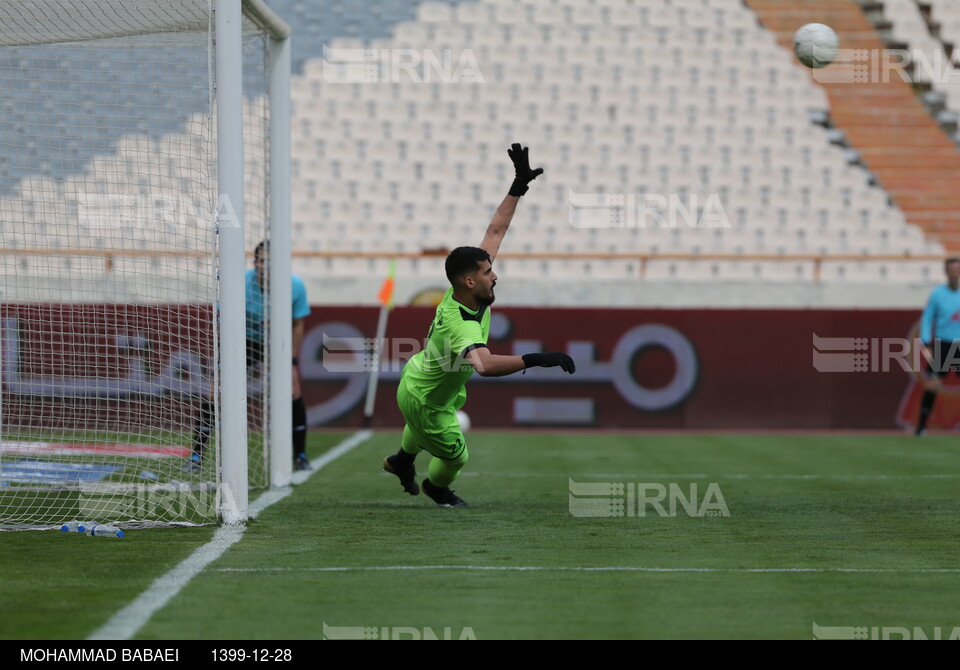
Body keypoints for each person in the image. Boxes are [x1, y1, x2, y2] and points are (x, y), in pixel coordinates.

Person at [382, 144, 576, 507]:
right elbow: (484, 365)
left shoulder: (465, 291)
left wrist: (518, 185)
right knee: (456, 457)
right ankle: (435, 488)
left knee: (428, 417)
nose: (495, 274)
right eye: (488, 272)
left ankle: (402, 461)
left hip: (419, 379)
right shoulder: (463, 325)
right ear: (470, 281)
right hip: (426, 401)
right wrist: (536, 359)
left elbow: (495, 230)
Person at [187, 240, 312, 471]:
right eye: (264, 260)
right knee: (216, 391)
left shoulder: (295, 286)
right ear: (255, 263)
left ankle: (301, 455)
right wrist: (227, 354)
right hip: (244, 341)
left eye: (274, 262)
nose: (269, 266)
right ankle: (196, 456)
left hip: (277, 343)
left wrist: (292, 360)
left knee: (293, 390)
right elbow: (224, 321)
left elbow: (298, 324)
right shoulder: (239, 283)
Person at [915, 257, 960, 436]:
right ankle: (922, 426)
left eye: (958, 269)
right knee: (933, 384)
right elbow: (927, 318)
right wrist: (926, 342)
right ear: (946, 272)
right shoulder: (937, 294)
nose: (955, 273)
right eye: (952, 269)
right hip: (942, 343)